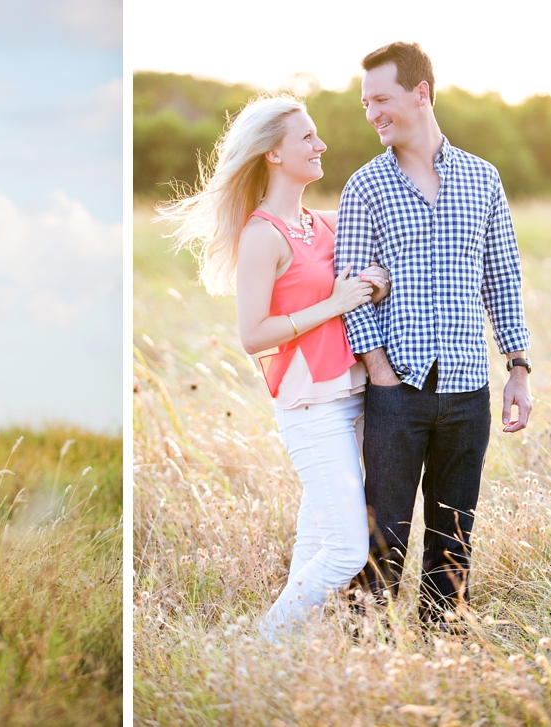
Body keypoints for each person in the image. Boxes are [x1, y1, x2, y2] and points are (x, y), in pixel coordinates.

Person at [161, 94, 390, 641]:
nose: (321, 145)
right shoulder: (262, 235)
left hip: (356, 394)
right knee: (344, 551)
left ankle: (273, 667)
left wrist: (373, 284)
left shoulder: (324, 224)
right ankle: (256, 649)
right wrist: (337, 303)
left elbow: (370, 272)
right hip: (310, 407)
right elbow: (252, 335)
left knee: (314, 546)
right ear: (272, 154)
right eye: (307, 137)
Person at [335, 42, 532, 626]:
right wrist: (381, 375)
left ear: (421, 93)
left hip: (469, 388)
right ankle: (364, 649)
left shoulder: (483, 178)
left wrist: (517, 368)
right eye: (366, 102)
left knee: (454, 534)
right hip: (398, 389)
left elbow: (503, 276)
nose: (372, 112)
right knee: (383, 534)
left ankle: (442, 644)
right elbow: (349, 291)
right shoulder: (364, 186)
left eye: (382, 99)